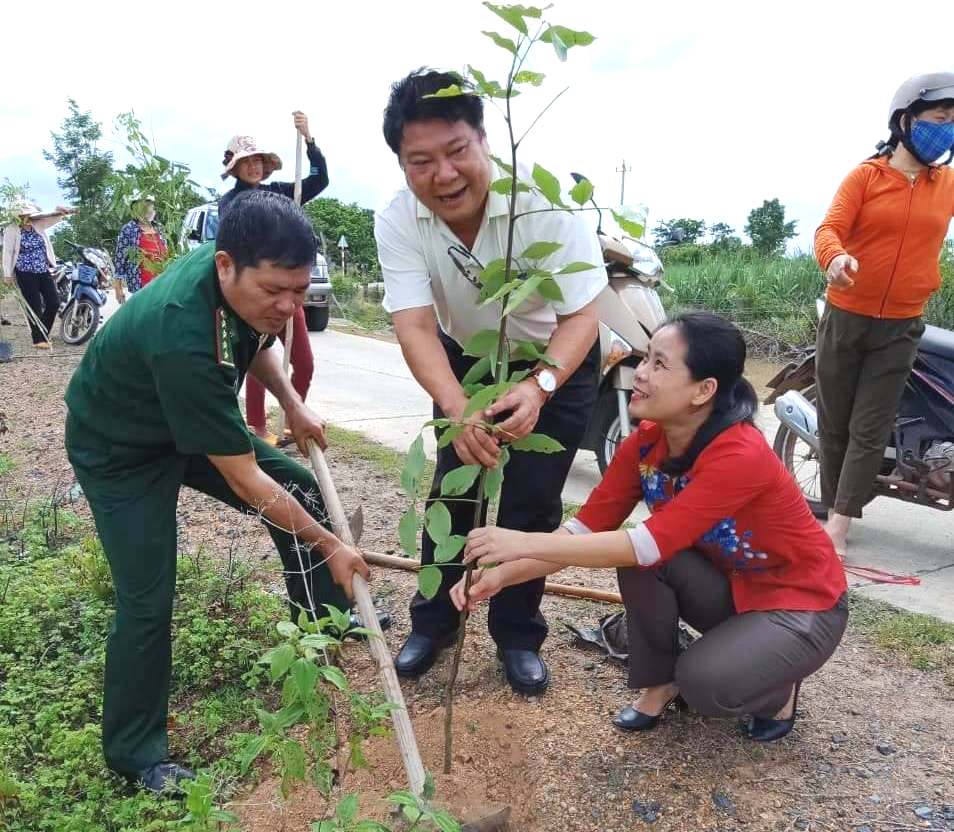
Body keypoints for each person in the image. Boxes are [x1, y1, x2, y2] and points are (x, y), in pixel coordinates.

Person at [64, 190, 374, 793]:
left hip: (179, 420)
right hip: (120, 446)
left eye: (299, 292)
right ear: (227, 265)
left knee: (300, 484)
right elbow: (245, 478)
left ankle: (324, 622)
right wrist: (332, 545)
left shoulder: (237, 269)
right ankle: (137, 756)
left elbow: (257, 344)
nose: (287, 307)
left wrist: (293, 403)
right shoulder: (181, 332)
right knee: (148, 595)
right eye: (274, 293)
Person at [452, 313, 848, 742]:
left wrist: (518, 542)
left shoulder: (740, 454)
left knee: (705, 685)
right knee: (644, 562)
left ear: (704, 390)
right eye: (644, 359)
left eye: (659, 364)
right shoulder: (645, 441)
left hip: (802, 605)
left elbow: (643, 543)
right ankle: (660, 681)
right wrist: (499, 577)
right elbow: (583, 532)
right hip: (735, 590)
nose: (639, 373)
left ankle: (777, 689)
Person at [375, 69, 607, 695]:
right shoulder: (398, 220)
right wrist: (457, 408)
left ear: (484, 141)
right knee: (454, 488)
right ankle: (435, 622)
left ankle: (517, 633)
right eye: (420, 161)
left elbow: (583, 315)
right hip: (468, 365)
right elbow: (417, 327)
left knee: (531, 500)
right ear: (402, 166)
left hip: (556, 358)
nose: (443, 175)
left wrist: (539, 387)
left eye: (456, 152)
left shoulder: (544, 204)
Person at [814, 72, 954, 556]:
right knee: (835, 423)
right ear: (905, 121)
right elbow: (829, 228)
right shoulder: (866, 177)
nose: (948, 129)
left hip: (901, 324)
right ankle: (835, 503)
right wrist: (835, 259)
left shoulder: (946, 184)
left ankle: (839, 523)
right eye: (940, 118)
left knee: (869, 426)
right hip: (845, 316)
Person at [219, 112, 328, 443]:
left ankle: (293, 418)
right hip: (256, 296)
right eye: (246, 161)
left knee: (304, 364)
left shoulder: (282, 192)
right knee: (258, 360)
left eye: (257, 161)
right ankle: (258, 428)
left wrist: (309, 140)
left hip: (288, 293)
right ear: (235, 167)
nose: (253, 167)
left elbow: (319, 180)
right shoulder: (230, 203)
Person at [2, 202, 75, 348]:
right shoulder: (12, 229)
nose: (26, 217)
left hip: (43, 270)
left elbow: (52, 219)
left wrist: (60, 212)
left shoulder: (38, 224)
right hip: (25, 272)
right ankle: (38, 340)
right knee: (34, 306)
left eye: (28, 214)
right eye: (23, 215)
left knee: (54, 302)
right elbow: (8, 252)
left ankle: (43, 334)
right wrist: (7, 274)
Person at [114, 192, 169, 300]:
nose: (149, 210)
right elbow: (120, 259)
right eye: (145, 206)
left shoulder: (159, 228)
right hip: (141, 285)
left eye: (150, 206)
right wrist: (118, 288)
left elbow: (166, 254)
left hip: (162, 284)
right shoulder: (129, 229)